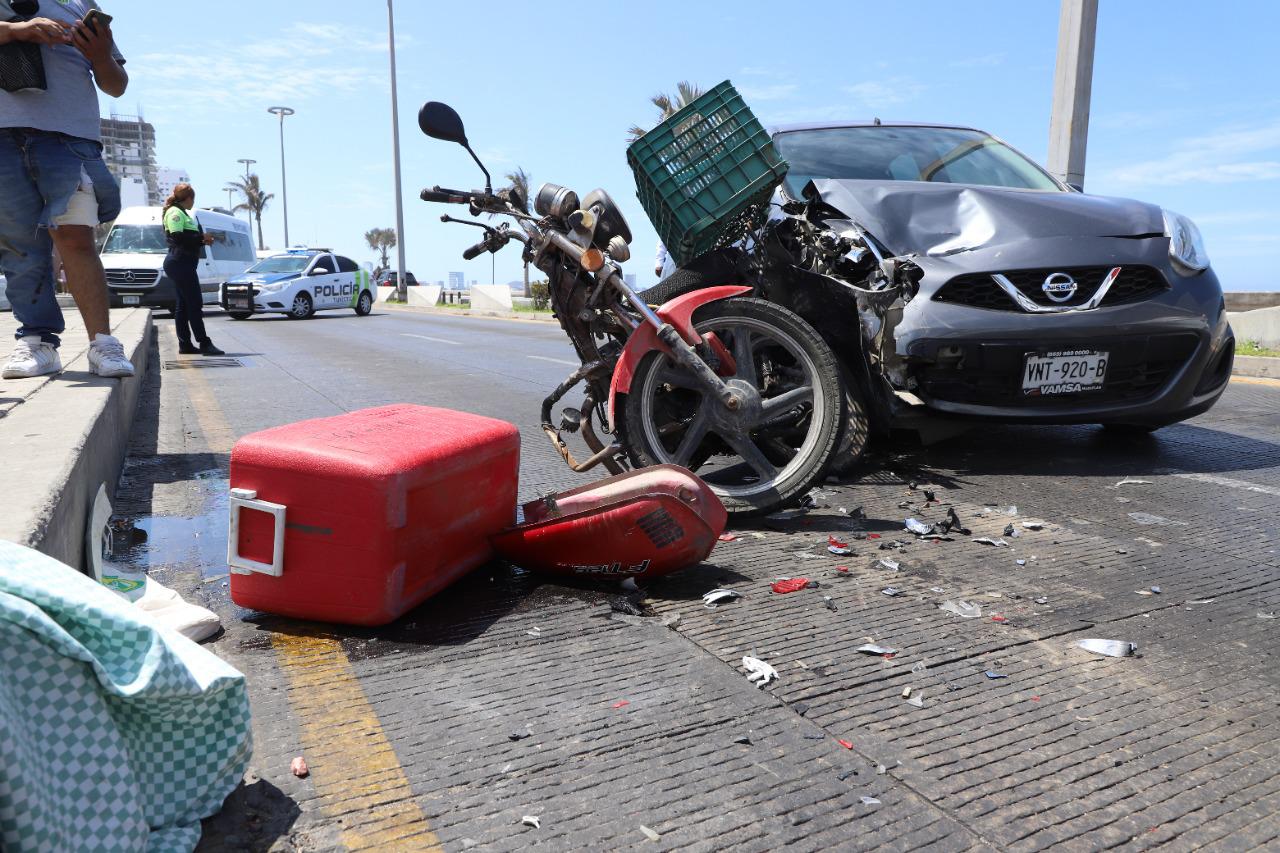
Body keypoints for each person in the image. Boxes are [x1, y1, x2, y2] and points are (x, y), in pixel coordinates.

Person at [0, 1, 135, 379]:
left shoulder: (81, 4)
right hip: (2, 136)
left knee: (77, 238)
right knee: (19, 245)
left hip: (70, 138)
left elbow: (116, 85)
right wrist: (16, 31)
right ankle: (37, 342)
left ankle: (103, 344)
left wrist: (100, 55)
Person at [161, 183, 223, 355]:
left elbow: (187, 237)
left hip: (183, 263)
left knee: (183, 305)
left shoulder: (182, 213)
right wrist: (200, 238)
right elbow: (177, 236)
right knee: (195, 303)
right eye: (192, 199)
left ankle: (185, 344)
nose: (193, 203)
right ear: (188, 198)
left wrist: (201, 240)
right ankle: (204, 342)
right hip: (180, 263)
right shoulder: (175, 212)